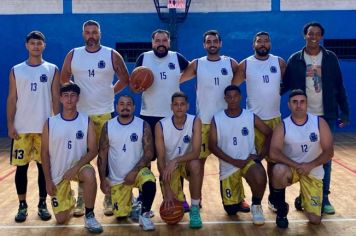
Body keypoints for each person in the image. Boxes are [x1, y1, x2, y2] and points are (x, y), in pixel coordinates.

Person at [61, 19, 130, 216]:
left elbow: (125, 79)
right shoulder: (73, 54)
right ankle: (82, 198)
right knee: (82, 157)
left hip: (104, 113)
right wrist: (74, 95)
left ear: (100, 34)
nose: (91, 35)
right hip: (80, 115)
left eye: (94, 32)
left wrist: (111, 93)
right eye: (88, 32)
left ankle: (109, 197)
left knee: (105, 156)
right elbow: (64, 78)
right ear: (84, 34)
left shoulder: (111, 54)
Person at [281, 22, 350, 214]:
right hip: (302, 116)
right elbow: (284, 85)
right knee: (304, 156)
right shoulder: (295, 59)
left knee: (324, 158)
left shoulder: (330, 58)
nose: (314, 37)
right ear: (305, 35)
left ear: (321, 37)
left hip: (326, 116)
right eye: (310, 34)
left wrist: (345, 112)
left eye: (317, 34)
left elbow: (339, 86)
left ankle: (324, 198)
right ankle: (304, 193)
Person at [180, 30, 249, 211]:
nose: (212, 44)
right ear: (204, 45)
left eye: (215, 41)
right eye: (208, 41)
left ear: (220, 43)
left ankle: (237, 198)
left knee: (232, 160)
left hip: (227, 121)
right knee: (198, 163)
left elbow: (243, 74)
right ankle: (197, 197)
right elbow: (177, 79)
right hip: (204, 122)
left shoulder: (230, 62)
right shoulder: (197, 64)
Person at [6, 31, 60, 223]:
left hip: (44, 129)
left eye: (39, 43)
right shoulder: (16, 70)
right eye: (32, 43)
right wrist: (10, 124)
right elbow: (12, 99)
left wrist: (57, 124)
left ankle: (42, 204)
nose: (36, 46)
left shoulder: (52, 69)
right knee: (21, 169)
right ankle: (22, 205)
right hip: (21, 130)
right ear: (26, 46)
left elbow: (55, 98)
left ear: (44, 46)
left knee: (43, 169)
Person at [134, 29, 190, 210]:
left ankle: (178, 194)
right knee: (147, 157)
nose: (161, 43)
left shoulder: (177, 58)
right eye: (157, 40)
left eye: (164, 40)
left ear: (169, 42)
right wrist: (138, 85)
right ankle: (144, 195)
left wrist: (178, 80)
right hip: (148, 115)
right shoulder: (144, 58)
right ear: (152, 42)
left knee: (173, 157)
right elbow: (134, 84)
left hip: (171, 117)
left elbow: (191, 70)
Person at [41, 82, 103, 233]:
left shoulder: (86, 120)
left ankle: (89, 215)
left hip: (78, 168)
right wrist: (48, 181)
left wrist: (75, 167)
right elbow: (44, 153)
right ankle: (70, 198)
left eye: (73, 96)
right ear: (60, 98)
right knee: (61, 220)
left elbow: (93, 150)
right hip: (58, 174)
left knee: (89, 173)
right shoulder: (50, 122)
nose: (69, 99)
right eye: (66, 96)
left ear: (78, 99)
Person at [235, 31, 286, 212]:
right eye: (259, 41)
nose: (263, 44)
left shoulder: (279, 62)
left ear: (270, 44)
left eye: (266, 41)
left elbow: (288, 85)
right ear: (253, 44)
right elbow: (232, 88)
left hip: (275, 119)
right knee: (252, 163)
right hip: (252, 122)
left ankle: (274, 199)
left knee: (274, 163)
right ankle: (253, 200)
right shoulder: (246, 64)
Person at [269, 89, 334, 228]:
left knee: (315, 219)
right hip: (292, 169)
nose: (298, 105)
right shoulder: (283, 126)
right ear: (289, 105)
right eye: (294, 102)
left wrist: (310, 165)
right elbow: (273, 153)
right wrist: (296, 165)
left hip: (313, 171)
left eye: (302, 102)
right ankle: (281, 210)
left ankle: (302, 199)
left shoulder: (319, 123)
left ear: (307, 104)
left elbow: (329, 152)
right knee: (278, 170)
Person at [209, 85, 272, 225]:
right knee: (231, 210)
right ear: (225, 98)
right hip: (228, 165)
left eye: (235, 96)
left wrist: (260, 156)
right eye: (229, 97)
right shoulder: (217, 119)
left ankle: (256, 205)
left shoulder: (250, 116)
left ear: (240, 97)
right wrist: (233, 161)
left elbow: (269, 133)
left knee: (259, 174)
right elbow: (212, 146)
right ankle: (237, 198)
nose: (232, 99)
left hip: (247, 162)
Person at [97, 95, 156, 231]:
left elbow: (149, 153)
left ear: (134, 107)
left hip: (138, 172)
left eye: (129, 104)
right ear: (117, 107)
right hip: (117, 179)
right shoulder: (108, 126)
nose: (125, 106)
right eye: (122, 104)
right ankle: (132, 203)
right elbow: (102, 155)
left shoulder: (142, 125)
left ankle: (145, 216)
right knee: (121, 215)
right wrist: (102, 180)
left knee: (149, 181)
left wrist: (134, 172)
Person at [155, 92, 203, 228]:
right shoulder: (161, 125)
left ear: (187, 106)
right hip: (168, 168)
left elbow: (196, 152)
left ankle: (195, 209)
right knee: (172, 206)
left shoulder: (195, 121)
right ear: (171, 107)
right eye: (176, 104)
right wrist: (167, 189)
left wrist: (175, 160)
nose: (179, 107)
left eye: (182, 104)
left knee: (196, 164)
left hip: (185, 162)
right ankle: (177, 195)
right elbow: (160, 159)